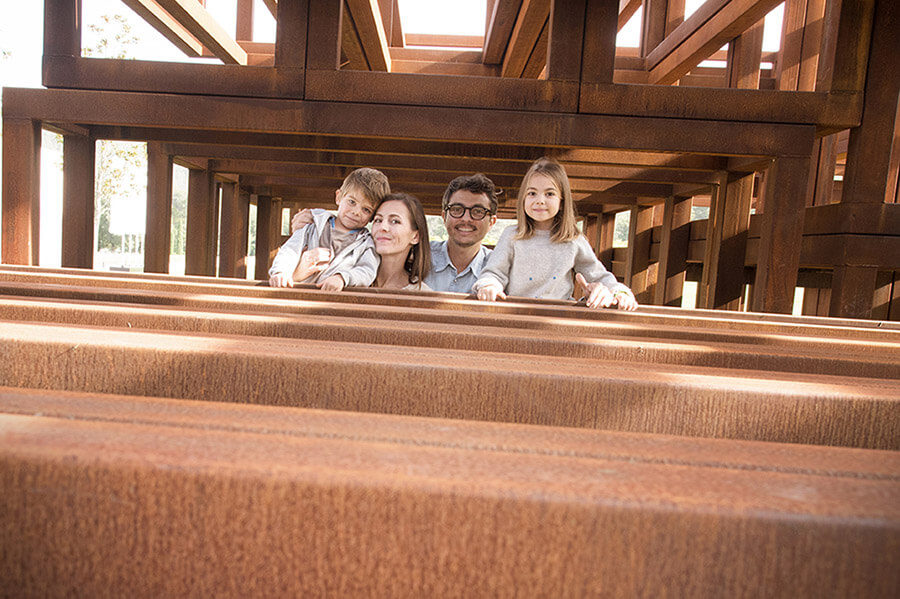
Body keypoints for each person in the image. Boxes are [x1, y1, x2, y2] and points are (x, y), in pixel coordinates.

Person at [473, 157, 638, 310]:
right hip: (517, 313)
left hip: (559, 316)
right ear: (523, 198)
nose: (540, 200)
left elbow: (599, 276)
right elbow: (495, 272)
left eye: (549, 194)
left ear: (561, 202)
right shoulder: (512, 236)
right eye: (532, 193)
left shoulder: (573, 240)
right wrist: (489, 285)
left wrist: (620, 292)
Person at [268, 168, 390, 291]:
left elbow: (366, 271)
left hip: (335, 300)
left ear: (372, 217)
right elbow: (290, 250)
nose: (356, 212)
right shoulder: (313, 225)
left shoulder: (366, 243)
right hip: (299, 292)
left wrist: (342, 278)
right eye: (352, 202)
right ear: (338, 197)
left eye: (366, 210)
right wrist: (281, 271)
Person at [424, 173, 499, 293]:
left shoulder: (499, 268)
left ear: (491, 222)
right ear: (444, 216)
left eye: (478, 211)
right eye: (457, 209)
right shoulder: (420, 256)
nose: (466, 218)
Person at [370, 192, 432, 291]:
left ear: (415, 236)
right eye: (378, 220)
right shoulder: (347, 277)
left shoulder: (422, 293)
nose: (383, 227)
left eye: (395, 221)